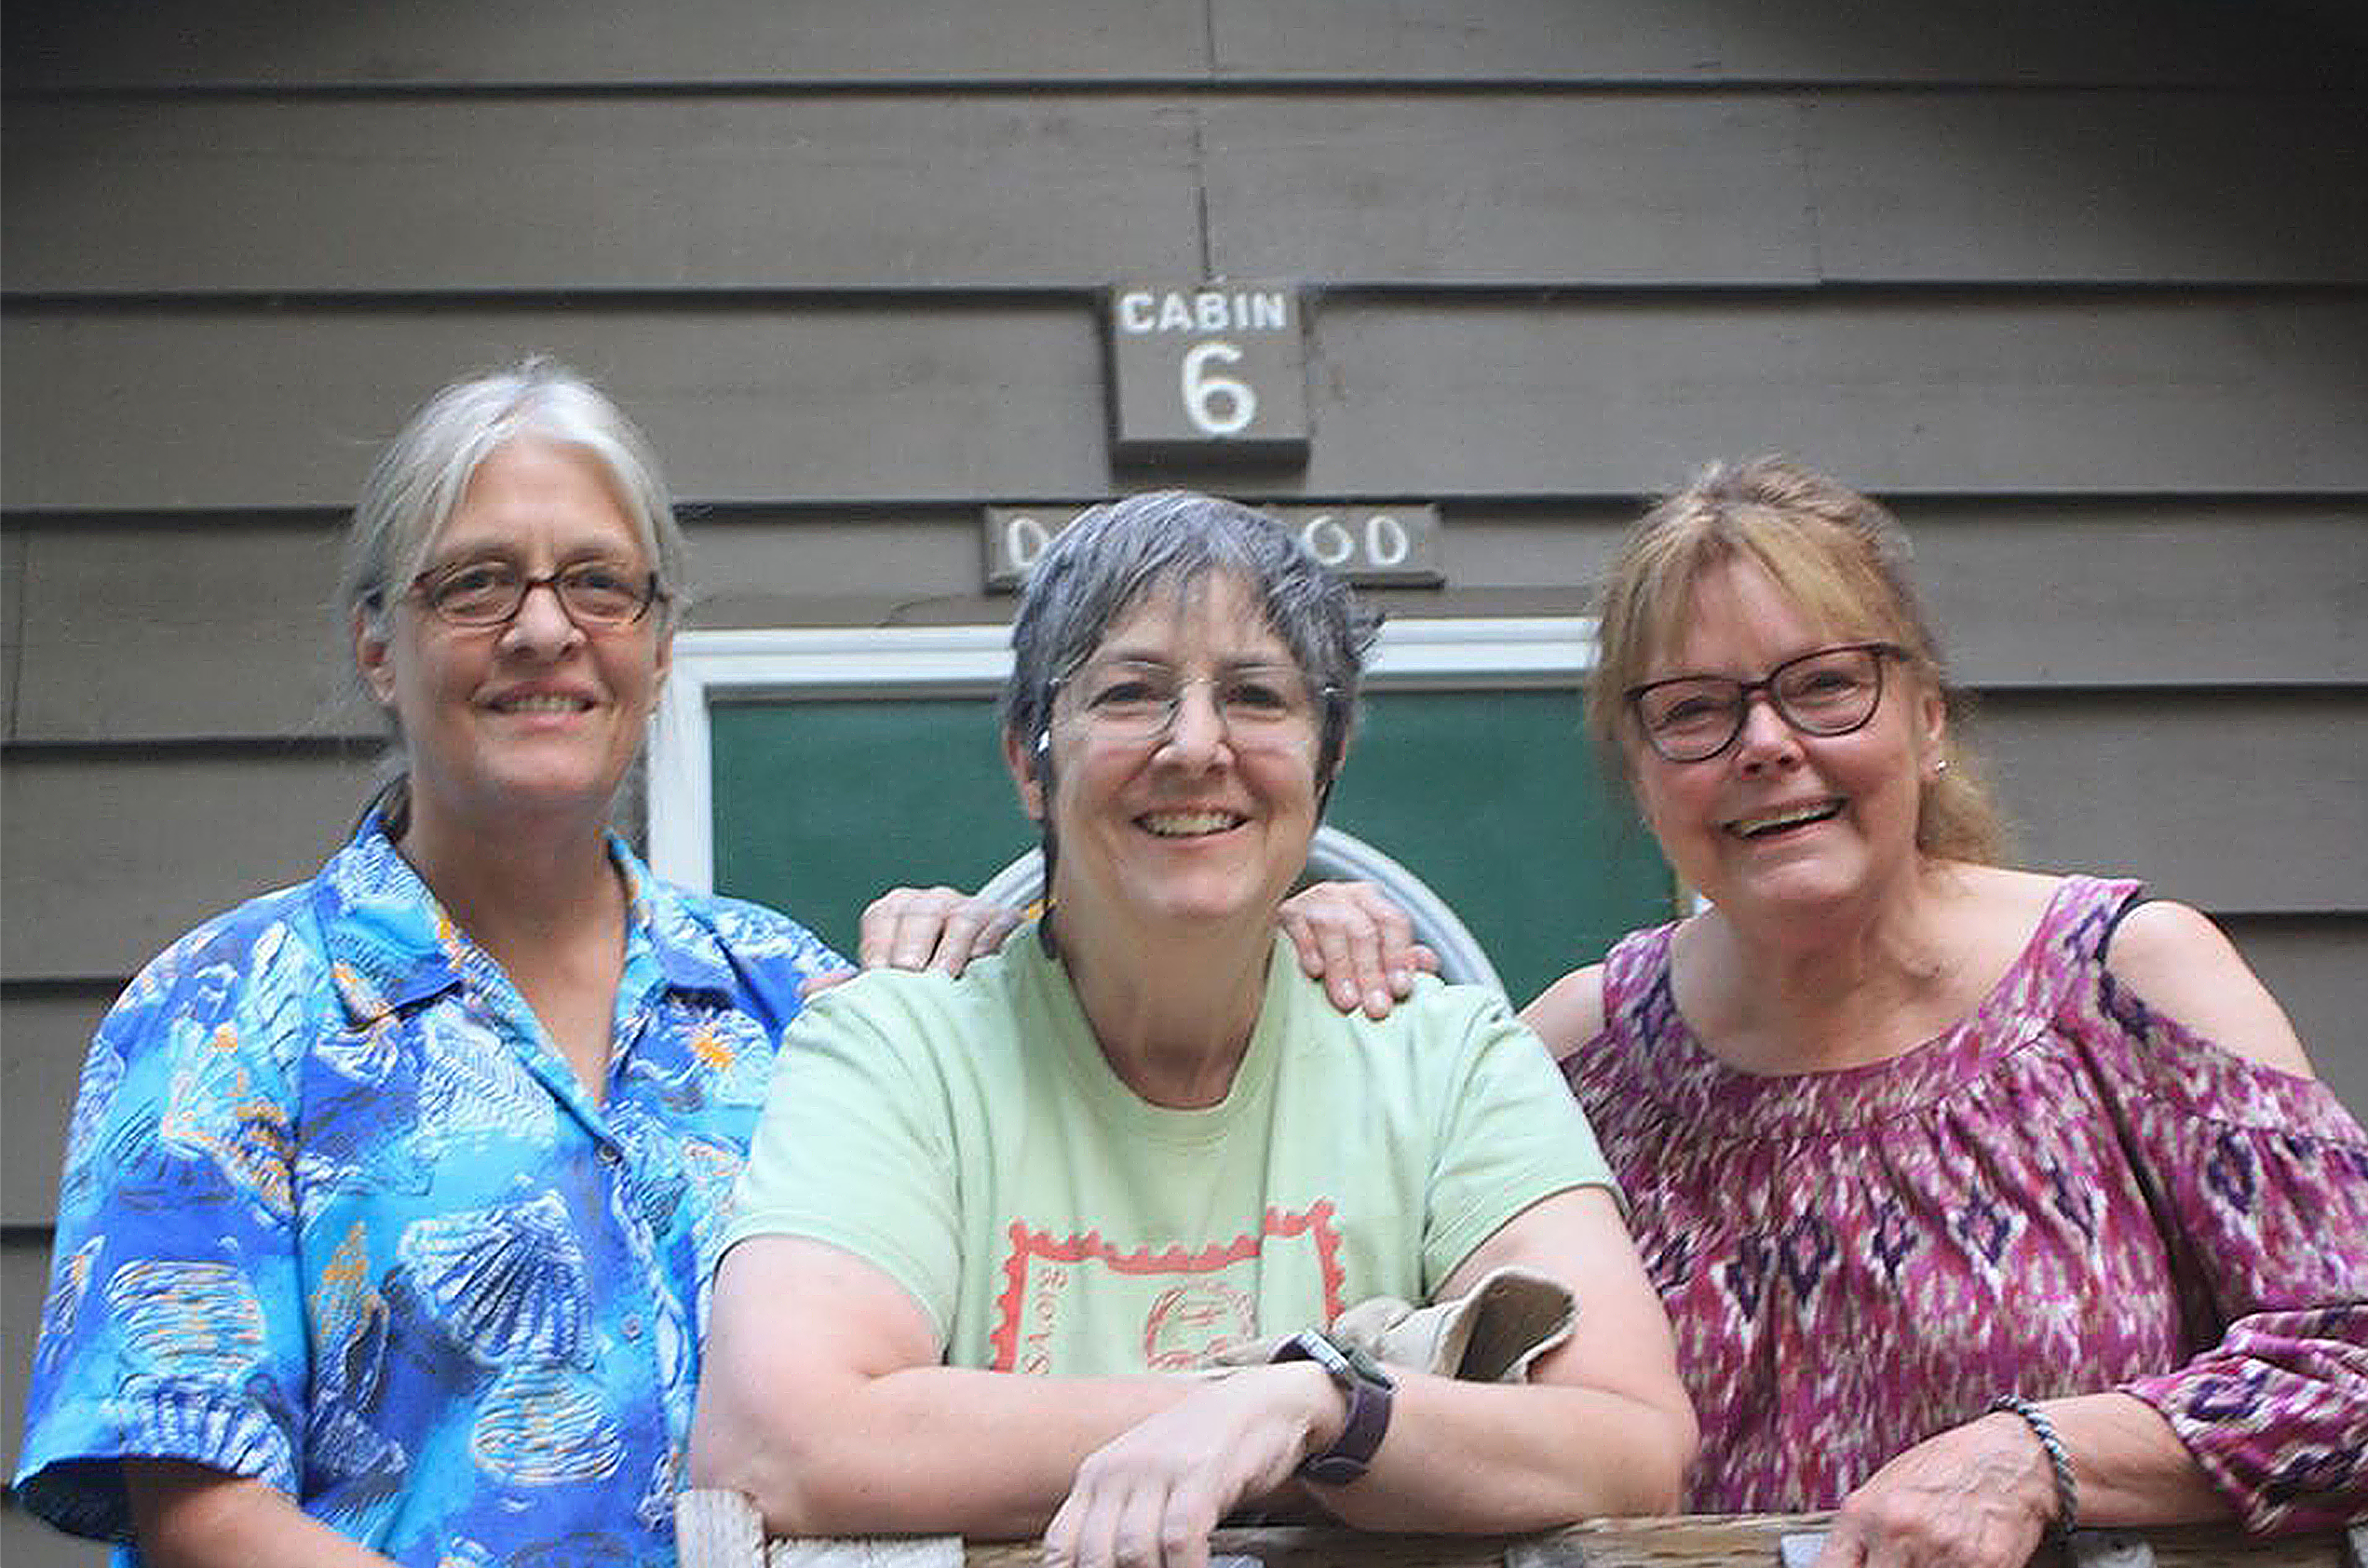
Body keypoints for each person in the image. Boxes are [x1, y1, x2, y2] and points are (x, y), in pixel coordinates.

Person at [866, 460, 2368, 1563]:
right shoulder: (1587, 1046)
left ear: (1922, 712)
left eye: (1821, 687)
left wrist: (2042, 1449)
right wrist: (1190, 916)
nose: (1764, 747)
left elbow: (2349, 1352)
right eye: (1694, 712)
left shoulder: (2119, 975)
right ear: (1640, 771)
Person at [689, 492, 1697, 1568]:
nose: (1195, 744)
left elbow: (1631, 1439)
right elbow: (773, 1445)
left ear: (1329, 757)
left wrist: (1322, 1410)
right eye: (1129, 693)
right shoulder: (896, 1050)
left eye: (1256, 696)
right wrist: (1242, 1411)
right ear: (1030, 760)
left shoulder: (1444, 1059)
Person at [14, 360, 842, 1567]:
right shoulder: (222, 1016)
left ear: (659, 649)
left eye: (598, 584)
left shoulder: (797, 1003)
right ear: (377, 648)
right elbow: (204, 1519)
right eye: (476, 582)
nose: (545, 628)